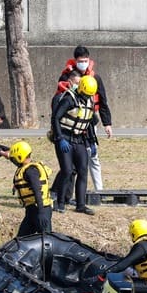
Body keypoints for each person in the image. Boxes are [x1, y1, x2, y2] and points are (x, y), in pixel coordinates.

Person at [58, 45, 113, 192]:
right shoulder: (66, 77)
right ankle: (63, 193)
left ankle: (99, 190)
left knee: (93, 156)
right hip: (71, 125)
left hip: (88, 122)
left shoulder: (95, 78)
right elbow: (59, 100)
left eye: (86, 60)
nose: (84, 63)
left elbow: (102, 101)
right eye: (81, 60)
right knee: (71, 163)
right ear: (75, 61)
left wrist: (107, 123)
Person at [50, 74, 99, 215]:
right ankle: (60, 203)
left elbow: (88, 122)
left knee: (83, 171)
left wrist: (92, 142)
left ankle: (81, 205)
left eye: (89, 94)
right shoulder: (68, 99)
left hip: (79, 140)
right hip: (64, 137)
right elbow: (56, 118)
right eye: (85, 93)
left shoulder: (89, 100)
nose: (86, 96)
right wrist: (59, 138)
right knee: (67, 171)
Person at [9, 141, 53, 237]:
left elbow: (37, 190)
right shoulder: (24, 168)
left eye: (14, 160)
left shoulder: (30, 171)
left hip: (41, 209)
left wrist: (41, 212)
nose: (13, 162)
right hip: (31, 211)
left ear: (20, 157)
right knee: (21, 239)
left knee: (46, 239)